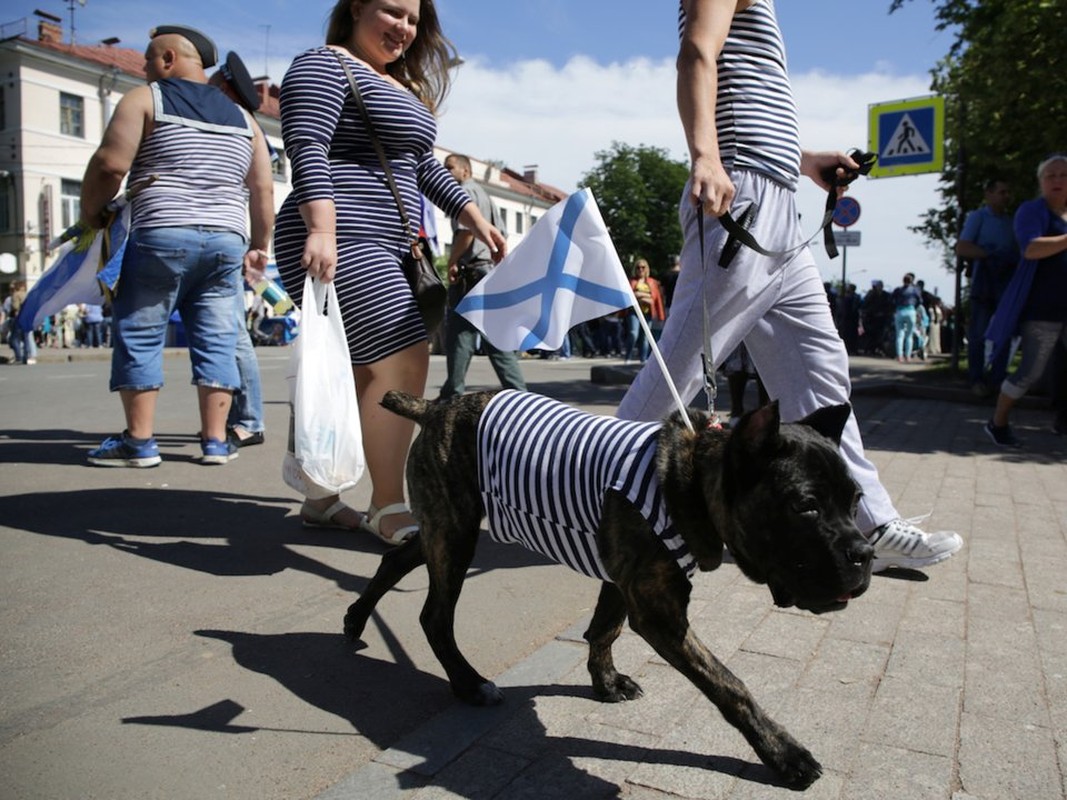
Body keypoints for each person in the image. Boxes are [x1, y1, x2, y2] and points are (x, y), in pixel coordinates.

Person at [616, 0, 963, 573]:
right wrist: (705, 155)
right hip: (742, 196)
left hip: (777, 198)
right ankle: (590, 485)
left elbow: (747, 92)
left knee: (821, 368)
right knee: (680, 366)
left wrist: (805, 161)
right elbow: (697, 54)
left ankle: (866, 522)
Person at [274, 0, 505, 542]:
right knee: (404, 358)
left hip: (389, 240)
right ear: (356, 8)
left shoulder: (398, 84)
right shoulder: (325, 63)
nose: (403, 28)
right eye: (391, 12)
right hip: (341, 233)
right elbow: (305, 145)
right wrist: (322, 229)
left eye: (413, 19)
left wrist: (473, 215)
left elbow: (422, 165)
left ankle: (321, 497)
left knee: (358, 371)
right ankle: (387, 504)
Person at [81, 25, 274, 467]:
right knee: (218, 338)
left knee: (141, 332)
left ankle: (140, 442)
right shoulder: (246, 121)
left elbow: (111, 164)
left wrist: (92, 213)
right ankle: (214, 442)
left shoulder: (145, 99)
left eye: (150, 59)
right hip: (226, 240)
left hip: (163, 232)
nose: (146, 68)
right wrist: (258, 244)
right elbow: (262, 191)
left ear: (169, 59)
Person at [209, 50, 272, 449]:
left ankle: (248, 417)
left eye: (215, 83)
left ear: (225, 87)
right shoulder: (238, 122)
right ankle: (233, 416)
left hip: (221, 239)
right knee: (222, 330)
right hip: (223, 238)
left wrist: (260, 246)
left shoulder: (237, 122)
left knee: (230, 331)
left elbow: (262, 189)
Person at [983, 154, 1067, 447]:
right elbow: (1031, 249)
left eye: (1063, 175)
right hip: (1043, 307)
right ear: (1041, 182)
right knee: (1031, 370)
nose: (1057, 180)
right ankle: (998, 422)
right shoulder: (1032, 211)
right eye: (1050, 175)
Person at [438, 153, 526, 399]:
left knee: (462, 337)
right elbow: (502, 233)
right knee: (471, 335)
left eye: (450, 167)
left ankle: (453, 394)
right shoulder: (485, 196)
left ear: (465, 171)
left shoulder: (464, 192)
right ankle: (517, 394)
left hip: (472, 272)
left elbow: (466, 233)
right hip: (485, 270)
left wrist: (453, 260)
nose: (445, 171)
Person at [956, 178, 1017, 395]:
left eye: (1008, 192)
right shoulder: (978, 217)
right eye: (1002, 192)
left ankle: (998, 379)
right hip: (985, 281)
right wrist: (990, 254)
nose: (1006, 196)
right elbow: (962, 247)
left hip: (1006, 282)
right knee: (979, 334)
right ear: (989, 194)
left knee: (1004, 332)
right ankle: (976, 380)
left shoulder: (1011, 221)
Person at [624, 258, 666, 364]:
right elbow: (629, 296)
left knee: (646, 337)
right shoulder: (631, 281)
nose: (640, 269)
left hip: (648, 312)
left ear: (646, 269)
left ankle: (643, 359)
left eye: (643, 267)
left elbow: (655, 299)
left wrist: (639, 295)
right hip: (634, 312)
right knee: (633, 334)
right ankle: (627, 357)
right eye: (638, 267)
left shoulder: (652, 282)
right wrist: (644, 296)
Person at [3, 281, 38, 365]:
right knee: (26, 339)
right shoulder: (28, 295)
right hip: (27, 318)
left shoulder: (16, 295)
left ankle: (18, 357)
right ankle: (26, 357)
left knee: (13, 339)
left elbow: (15, 307)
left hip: (19, 318)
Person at [892, 272, 923, 363]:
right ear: (912, 281)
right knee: (909, 335)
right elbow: (920, 301)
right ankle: (908, 356)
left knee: (899, 335)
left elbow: (891, 299)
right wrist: (915, 308)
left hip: (900, 311)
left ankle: (900, 356)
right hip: (911, 311)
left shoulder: (898, 290)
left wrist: (896, 307)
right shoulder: (915, 290)